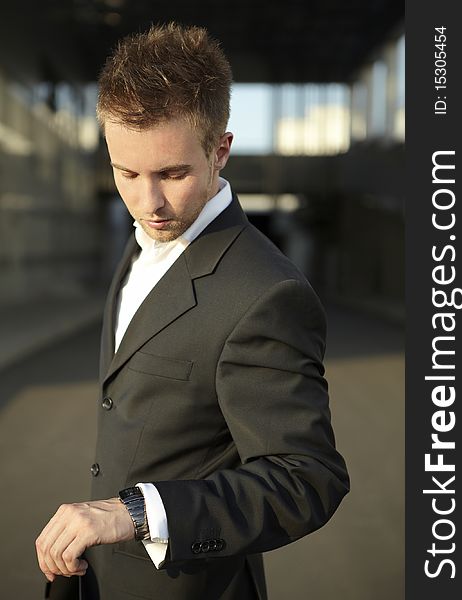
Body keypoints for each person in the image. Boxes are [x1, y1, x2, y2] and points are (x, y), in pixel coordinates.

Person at [35, 22, 349, 600]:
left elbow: (307, 480)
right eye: (125, 173)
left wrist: (134, 513)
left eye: (172, 174)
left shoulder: (266, 292)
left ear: (219, 151)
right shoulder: (142, 240)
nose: (148, 202)